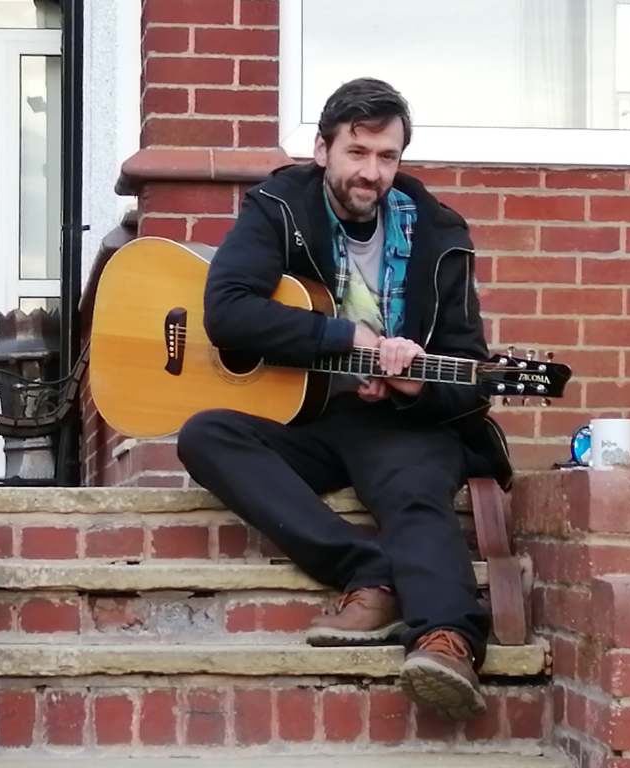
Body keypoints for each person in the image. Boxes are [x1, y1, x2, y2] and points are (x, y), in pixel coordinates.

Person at [177, 77, 512, 721]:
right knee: (207, 435)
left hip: (397, 421)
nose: (371, 173)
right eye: (357, 152)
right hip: (307, 414)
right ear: (322, 149)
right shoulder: (278, 206)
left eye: (387, 157)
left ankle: (447, 640)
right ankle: (370, 570)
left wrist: (416, 385)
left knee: (414, 486)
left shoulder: (440, 233)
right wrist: (340, 336)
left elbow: (469, 376)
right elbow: (228, 312)